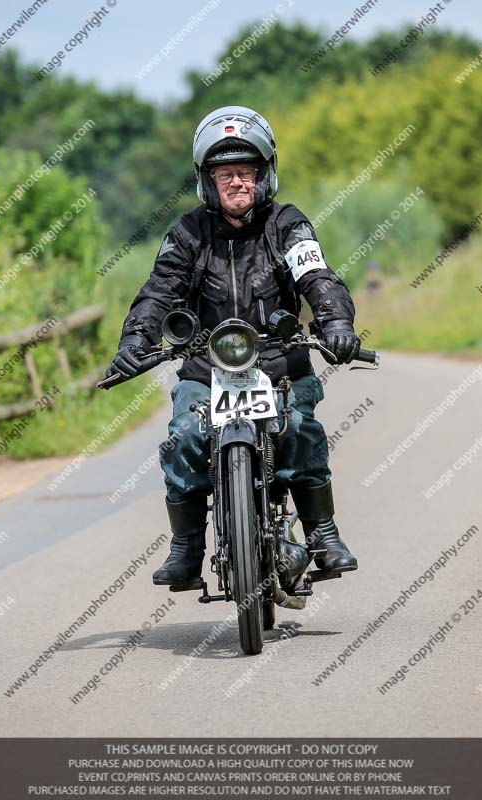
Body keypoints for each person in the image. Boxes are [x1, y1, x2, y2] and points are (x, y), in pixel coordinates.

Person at [106, 106, 361, 587]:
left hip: (279, 363)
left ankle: (323, 533)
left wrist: (336, 321)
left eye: (246, 171)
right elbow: (159, 290)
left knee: (300, 428)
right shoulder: (186, 233)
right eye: (226, 174)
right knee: (184, 436)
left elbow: (317, 277)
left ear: (265, 175)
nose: (238, 182)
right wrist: (136, 340)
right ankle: (186, 547)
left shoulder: (288, 224)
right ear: (207, 180)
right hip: (205, 369)